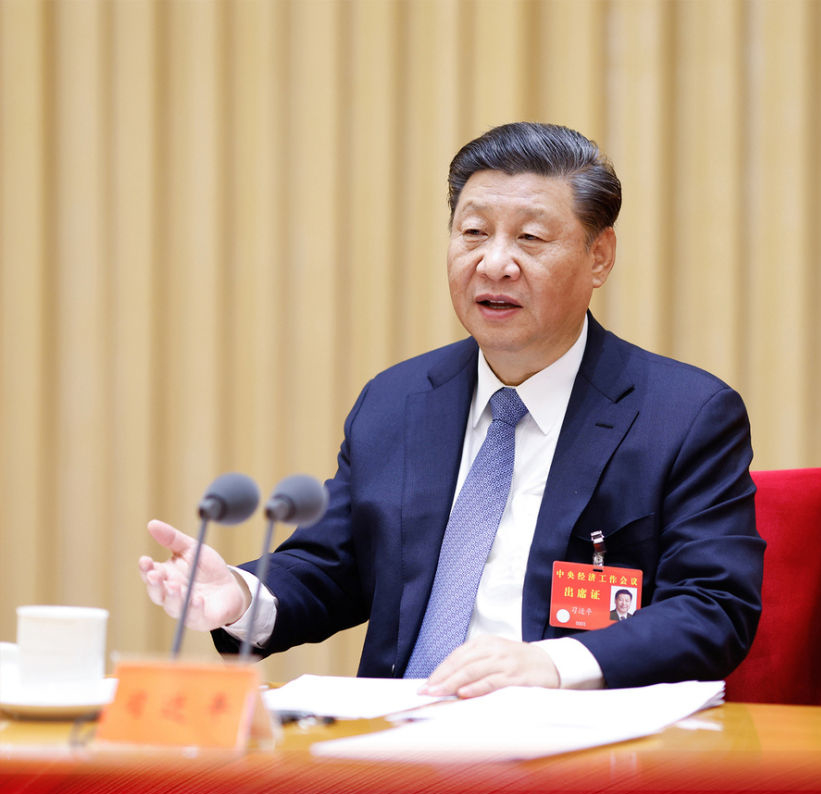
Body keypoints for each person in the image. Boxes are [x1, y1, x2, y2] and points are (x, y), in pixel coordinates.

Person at [139, 122, 764, 697]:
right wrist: (240, 595)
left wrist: (552, 663)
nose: (494, 263)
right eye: (473, 233)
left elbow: (714, 608)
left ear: (599, 256)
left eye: (530, 238)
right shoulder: (398, 401)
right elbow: (334, 565)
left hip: (572, 747)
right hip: (396, 742)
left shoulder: (682, 415)